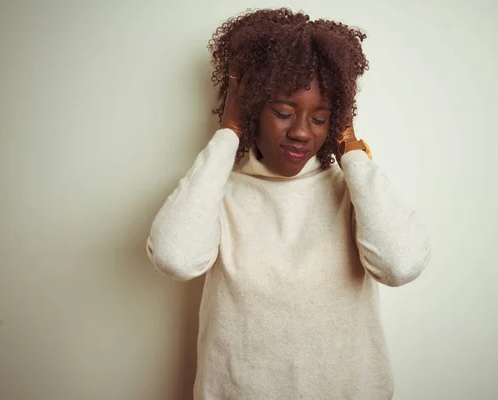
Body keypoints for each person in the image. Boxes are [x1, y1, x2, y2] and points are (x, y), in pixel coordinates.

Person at [147, 8, 430, 400]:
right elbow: (174, 257)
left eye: (320, 119)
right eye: (283, 112)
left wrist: (349, 146)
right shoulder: (215, 193)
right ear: (251, 109)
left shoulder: (354, 193)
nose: (300, 132)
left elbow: (401, 265)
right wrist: (229, 132)